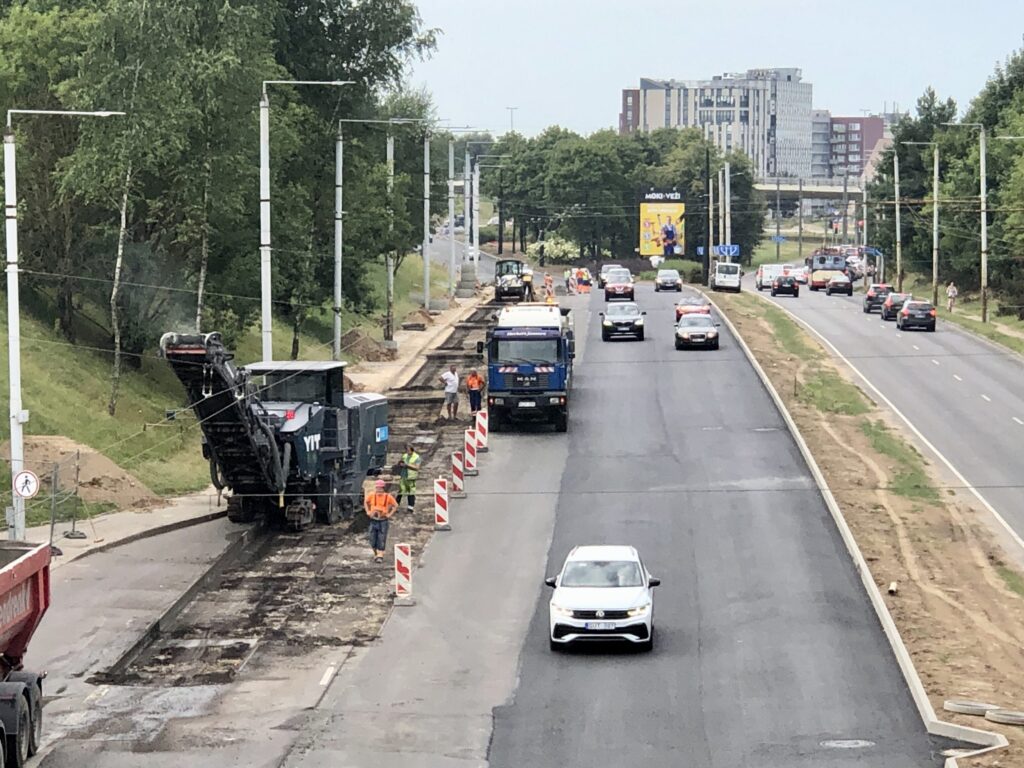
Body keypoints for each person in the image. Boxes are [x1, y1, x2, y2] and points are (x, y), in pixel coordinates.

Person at [365, 479, 397, 563]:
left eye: (380, 488)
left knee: (381, 538)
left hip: (383, 521)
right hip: (373, 520)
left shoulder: (388, 497)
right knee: (372, 538)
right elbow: (366, 502)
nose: (379, 490)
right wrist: (368, 511)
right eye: (377, 488)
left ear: (383, 488)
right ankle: (376, 553)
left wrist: (389, 514)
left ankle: (380, 555)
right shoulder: (372, 495)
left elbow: (395, 505)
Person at [395, 442, 421, 514]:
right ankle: (396, 506)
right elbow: (401, 462)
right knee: (400, 492)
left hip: (411, 477)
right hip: (403, 476)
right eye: (406, 450)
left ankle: (410, 508)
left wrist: (407, 465)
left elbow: (417, 467)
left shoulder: (416, 457)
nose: (407, 451)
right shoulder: (405, 456)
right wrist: (400, 464)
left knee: (410, 493)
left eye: (408, 450)